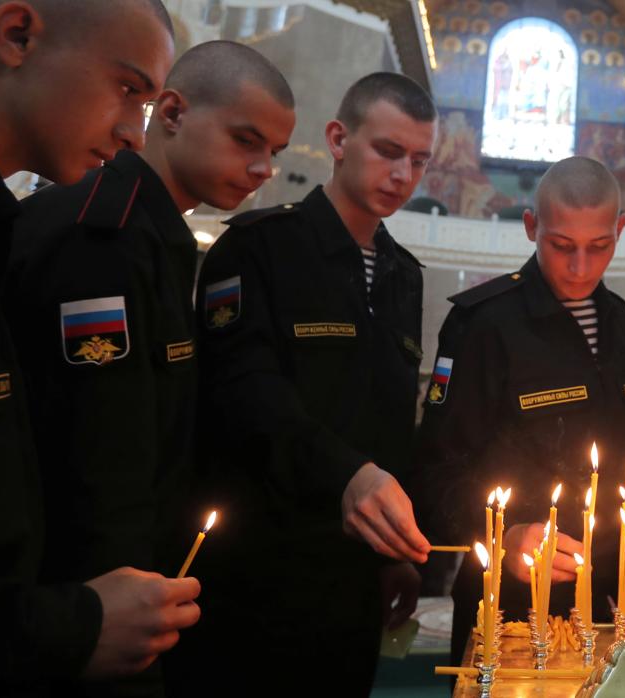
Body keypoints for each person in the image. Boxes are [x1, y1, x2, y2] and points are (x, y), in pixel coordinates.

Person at [3, 41, 294, 695]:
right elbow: (101, 464)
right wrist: (106, 628)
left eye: (274, 151)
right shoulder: (103, 237)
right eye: (247, 139)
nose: (263, 168)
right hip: (82, 619)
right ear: (172, 112)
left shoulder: (156, 235)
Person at [172, 73, 436, 695]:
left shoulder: (403, 273)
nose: (403, 175)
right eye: (388, 151)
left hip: (352, 582)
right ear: (339, 139)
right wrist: (349, 475)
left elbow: (392, 419)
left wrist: (393, 552)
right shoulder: (259, 247)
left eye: (419, 161)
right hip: (260, 569)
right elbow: (244, 392)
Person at [0, 1, 201, 692]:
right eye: (127, 88)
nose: (132, 134)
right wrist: (73, 624)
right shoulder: (88, 233)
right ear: (17, 35)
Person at [414, 156, 625, 663]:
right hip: (509, 604)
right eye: (561, 246)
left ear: (620, 230)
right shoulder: (485, 324)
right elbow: (436, 471)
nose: (580, 267)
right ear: (532, 227)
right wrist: (504, 536)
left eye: (599, 246)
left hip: (612, 601)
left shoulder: (620, 327)